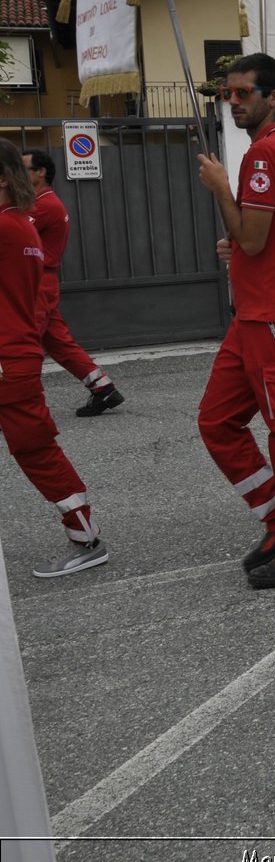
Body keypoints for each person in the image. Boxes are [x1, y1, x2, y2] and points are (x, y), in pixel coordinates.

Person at [195, 53, 275, 589]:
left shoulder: (264, 154)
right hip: (254, 315)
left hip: (273, 316)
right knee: (217, 421)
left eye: (243, 93)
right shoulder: (271, 151)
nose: (234, 101)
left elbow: (252, 238)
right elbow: (256, 240)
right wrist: (241, 242)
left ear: (272, 97)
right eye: (229, 93)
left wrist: (220, 188)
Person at [0, 141, 107, 578]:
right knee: (37, 450)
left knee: (37, 452)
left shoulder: (8, 225)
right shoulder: (20, 223)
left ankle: (86, 539)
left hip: (8, 358)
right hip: (14, 351)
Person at [21, 150, 124, 417]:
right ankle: (103, 388)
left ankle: (19, 406)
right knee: (58, 343)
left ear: (41, 172)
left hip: (36, 284)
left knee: (23, 345)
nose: (19, 174)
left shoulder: (44, 205)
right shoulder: (38, 202)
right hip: (41, 283)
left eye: (24, 169)